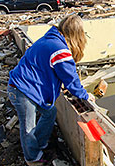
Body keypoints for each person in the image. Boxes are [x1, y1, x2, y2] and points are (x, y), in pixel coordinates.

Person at [7, 15, 95, 166]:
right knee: (28, 128)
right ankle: (32, 158)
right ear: (77, 34)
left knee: (50, 112)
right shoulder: (60, 50)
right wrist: (86, 95)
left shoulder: (51, 38)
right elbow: (71, 80)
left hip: (27, 87)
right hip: (22, 90)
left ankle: (40, 143)